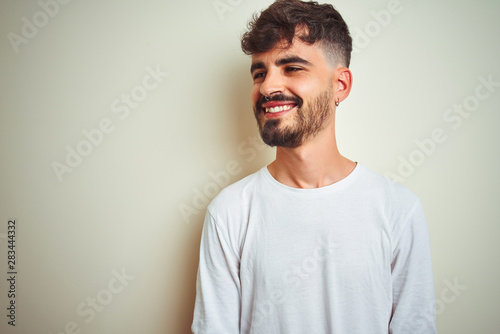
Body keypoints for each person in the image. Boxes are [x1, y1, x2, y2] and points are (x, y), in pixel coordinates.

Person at [192, 0, 437, 333]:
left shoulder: (398, 209)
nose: (267, 87)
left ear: (341, 85)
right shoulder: (229, 213)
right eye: (260, 73)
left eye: (292, 68)